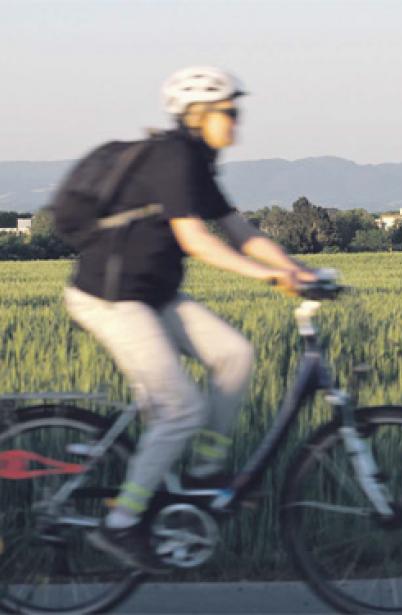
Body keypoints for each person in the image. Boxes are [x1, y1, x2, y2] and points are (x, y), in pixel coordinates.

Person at [63, 66, 316, 573]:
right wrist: (268, 279)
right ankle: (122, 522)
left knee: (234, 354)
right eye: (230, 111)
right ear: (199, 114)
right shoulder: (173, 156)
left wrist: (297, 269)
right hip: (111, 299)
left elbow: (239, 229)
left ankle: (203, 473)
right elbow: (196, 240)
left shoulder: (198, 161)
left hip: (152, 295)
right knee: (179, 407)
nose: (237, 121)